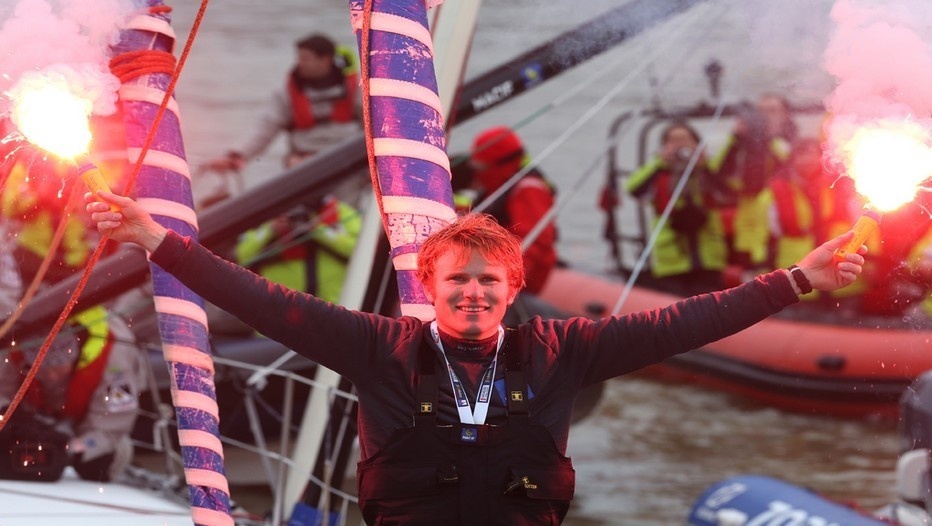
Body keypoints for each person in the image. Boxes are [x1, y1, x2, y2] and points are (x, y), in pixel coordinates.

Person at [86, 189, 864, 525]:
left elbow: (688, 322)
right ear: (430, 285)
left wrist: (798, 279)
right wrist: (157, 240)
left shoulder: (564, 350)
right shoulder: (376, 345)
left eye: (489, 282)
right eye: (457, 280)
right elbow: (261, 300)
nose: (472, 294)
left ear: (513, 288)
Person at [207, 33, 361, 173]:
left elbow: (376, 127)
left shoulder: (357, 89)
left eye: (305, 59)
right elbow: (264, 127)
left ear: (325, 60)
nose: (300, 63)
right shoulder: (286, 94)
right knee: (296, 167)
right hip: (304, 163)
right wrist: (238, 154)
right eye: (299, 58)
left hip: (349, 160)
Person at [626, 120, 728, 294]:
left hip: (708, 258)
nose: (680, 145)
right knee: (675, 311)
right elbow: (634, 190)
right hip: (671, 260)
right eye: (673, 140)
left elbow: (728, 192)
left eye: (685, 139)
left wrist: (704, 164)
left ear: (696, 143)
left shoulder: (707, 169)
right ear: (665, 146)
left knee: (711, 306)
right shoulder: (658, 172)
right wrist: (660, 163)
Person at [712, 93, 798, 272]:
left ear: (785, 115)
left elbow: (793, 168)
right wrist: (735, 139)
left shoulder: (796, 145)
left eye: (772, 111)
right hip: (750, 234)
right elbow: (716, 176)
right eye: (760, 111)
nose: (765, 116)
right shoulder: (739, 147)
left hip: (783, 236)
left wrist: (768, 138)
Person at [467, 126, 557, 295]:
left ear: (500, 164)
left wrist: (503, 282)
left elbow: (532, 244)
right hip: (488, 267)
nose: (478, 174)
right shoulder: (498, 185)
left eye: (482, 167)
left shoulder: (529, 191)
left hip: (514, 284)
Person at [234, 194, 361, 304]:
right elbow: (242, 255)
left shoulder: (339, 211)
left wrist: (317, 228)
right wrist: (271, 229)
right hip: (282, 311)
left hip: (335, 306)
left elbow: (359, 250)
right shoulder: (268, 214)